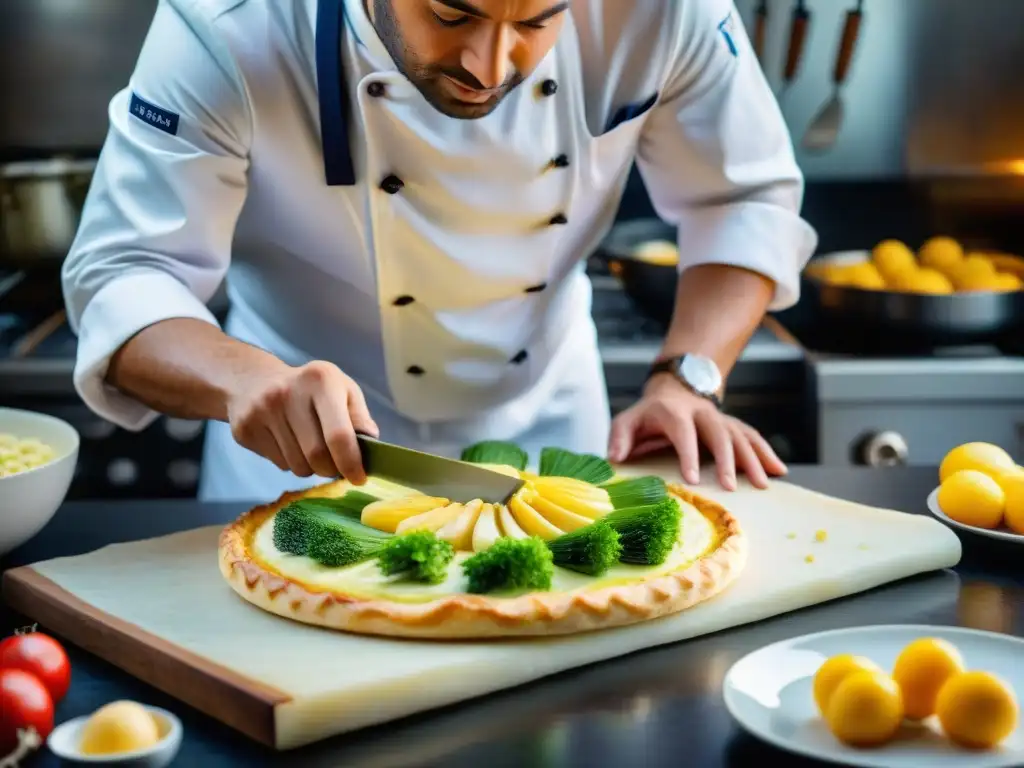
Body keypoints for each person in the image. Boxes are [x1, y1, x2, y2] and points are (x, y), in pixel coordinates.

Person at [62, 0, 817, 503]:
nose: (489, 68)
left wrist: (688, 378)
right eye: (453, 12)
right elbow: (123, 274)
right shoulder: (226, 22)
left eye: (538, 21)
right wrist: (246, 382)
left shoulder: (663, 9)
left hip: (557, 442)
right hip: (296, 459)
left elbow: (742, 198)